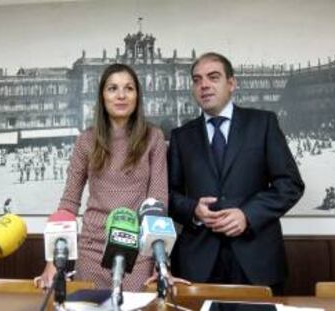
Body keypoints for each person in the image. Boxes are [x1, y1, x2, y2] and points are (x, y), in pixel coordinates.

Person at [168, 52, 305, 294]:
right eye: (197, 80)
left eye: (213, 77)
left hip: (257, 259)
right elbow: (168, 194)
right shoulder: (181, 136)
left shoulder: (263, 123)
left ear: (232, 83)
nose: (204, 85)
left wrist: (247, 215)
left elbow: (290, 184)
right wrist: (194, 211)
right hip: (197, 263)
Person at [35, 63, 168, 291]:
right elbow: (68, 204)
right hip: (91, 251)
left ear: (137, 95)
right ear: (102, 96)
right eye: (112, 88)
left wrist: (161, 261)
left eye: (129, 88)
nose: (121, 95)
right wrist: (52, 263)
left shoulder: (153, 137)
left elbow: (157, 202)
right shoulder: (86, 140)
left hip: (137, 254)